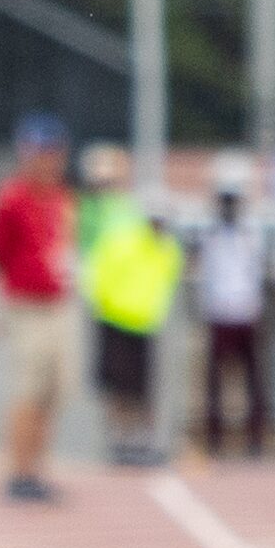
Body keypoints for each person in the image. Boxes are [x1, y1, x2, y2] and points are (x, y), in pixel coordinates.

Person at [0, 114, 74, 500]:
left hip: (57, 304)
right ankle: (19, 472)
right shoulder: (11, 198)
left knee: (55, 389)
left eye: (52, 153)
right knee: (26, 389)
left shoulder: (61, 199)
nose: (46, 161)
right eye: (40, 153)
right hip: (26, 304)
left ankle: (36, 468)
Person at [81, 160, 183, 466]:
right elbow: (98, 274)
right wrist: (102, 307)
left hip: (145, 325)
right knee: (119, 388)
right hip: (115, 320)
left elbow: (164, 285)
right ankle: (120, 439)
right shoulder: (123, 241)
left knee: (142, 388)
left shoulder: (168, 248)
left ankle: (140, 440)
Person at [197, 183, 269, 456]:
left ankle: (255, 439)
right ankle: (215, 439)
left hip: (246, 312)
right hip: (219, 313)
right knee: (215, 381)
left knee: (253, 380)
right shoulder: (210, 233)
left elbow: (258, 270)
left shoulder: (251, 232)